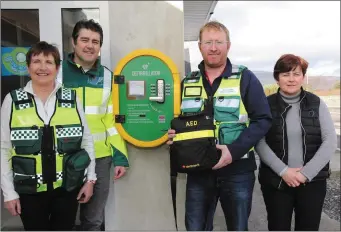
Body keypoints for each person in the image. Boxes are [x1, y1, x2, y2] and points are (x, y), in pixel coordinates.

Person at [167, 20, 272, 231]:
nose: (213, 48)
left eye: (218, 42)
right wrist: (174, 136)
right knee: (195, 228)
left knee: (238, 227)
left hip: (237, 172)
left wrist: (232, 152)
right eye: (208, 42)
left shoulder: (245, 78)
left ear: (228, 45)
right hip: (198, 172)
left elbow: (263, 119)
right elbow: (180, 121)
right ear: (200, 46)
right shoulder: (188, 82)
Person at [0, 41, 96, 231]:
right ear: (28, 67)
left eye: (49, 62)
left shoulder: (71, 98)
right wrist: (9, 192)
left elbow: (86, 141)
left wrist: (90, 180)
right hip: (29, 192)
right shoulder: (12, 100)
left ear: (57, 67)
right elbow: (4, 148)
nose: (42, 67)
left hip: (67, 190)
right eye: (36, 61)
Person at [57, 19, 129, 231]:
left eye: (95, 41)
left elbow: (111, 121)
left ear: (100, 46)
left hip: (100, 159)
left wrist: (120, 156)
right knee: (63, 219)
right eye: (85, 40)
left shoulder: (108, 77)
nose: (90, 45)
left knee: (94, 221)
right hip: (64, 156)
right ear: (74, 43)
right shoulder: (57, 73)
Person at [255, 54, 337, 231]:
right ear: (277, 78)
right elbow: (259, 141)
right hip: (276, 182)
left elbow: (330, 140)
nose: (291, 79)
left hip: (312, 183)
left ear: (303, 77)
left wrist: (305, 174)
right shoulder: (265, 105)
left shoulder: (316, 103)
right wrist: (283, 171)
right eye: (285, 74)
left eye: (296, 74)